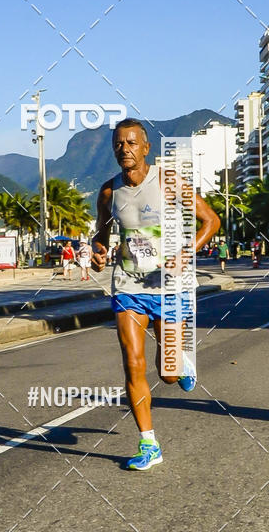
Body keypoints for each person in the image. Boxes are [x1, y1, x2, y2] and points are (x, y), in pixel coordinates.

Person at [92, 118, 220, 471]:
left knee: (167, 373)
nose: (125, 149)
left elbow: (211, 221)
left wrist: (187, 252)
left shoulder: (167, 181)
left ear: (146, 148)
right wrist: (99, 251)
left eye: (132, 143)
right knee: (133, 363)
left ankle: (181, 362)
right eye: (119, 143)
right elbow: (101, 235)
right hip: (128, 285)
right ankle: (149, 444)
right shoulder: (108, 192)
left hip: (167, 285)